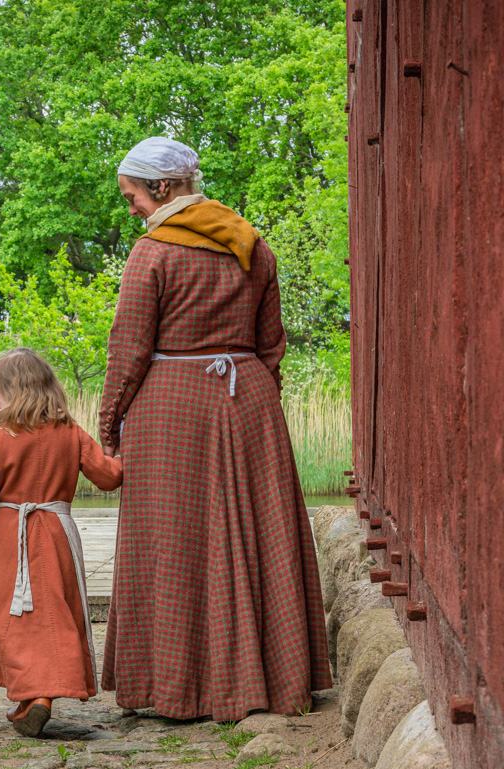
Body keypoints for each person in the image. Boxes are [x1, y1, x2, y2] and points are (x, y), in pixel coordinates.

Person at [98, 136, 332, 721]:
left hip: (170, 408)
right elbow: (271, 345)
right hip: (249, 399)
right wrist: (250, 403)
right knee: (259, 534)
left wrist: (109, 424)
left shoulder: (152, 255)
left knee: (173, 543)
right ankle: (270, 681)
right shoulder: (253, 246)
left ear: (163, 188)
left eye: (133, 197)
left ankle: (175, 688)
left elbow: (128, 351)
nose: (132, 210)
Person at [0, 348, 123, 736]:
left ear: (16, 391)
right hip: (58, 532)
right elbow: (109, 477)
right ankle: (31, 699)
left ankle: (36, 695)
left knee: (16, 616)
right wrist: (121, 449)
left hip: (10, 535)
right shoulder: (72, 433)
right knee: (53, 612)